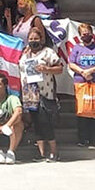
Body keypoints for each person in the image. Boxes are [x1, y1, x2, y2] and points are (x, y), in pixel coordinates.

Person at [19, 27, 63, 161]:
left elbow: (60, 68)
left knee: (46, 123)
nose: (33, 41)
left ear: (41, 39)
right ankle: (42, 153)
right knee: (36, 124)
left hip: (45, 92)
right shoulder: (25, 54)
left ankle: (54, 152)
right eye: (31, 39)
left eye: (36, 39)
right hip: (30, 94)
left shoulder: (48, 52)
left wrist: (47, 69)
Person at [68, 23, 95, 147]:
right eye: (83, 34)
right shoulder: (76, 48)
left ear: (92, 33)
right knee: (82, 110)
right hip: (81, 82)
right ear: (79, 35)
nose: (85, 35)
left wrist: (91, 71)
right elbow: (71, 64)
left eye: (87, 33)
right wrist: (83, 72)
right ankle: (83, 139)